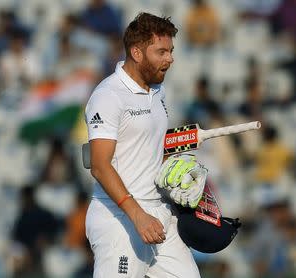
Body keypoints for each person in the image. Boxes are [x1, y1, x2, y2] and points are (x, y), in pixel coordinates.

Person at [85, 13, 206, 277]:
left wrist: (179, 170)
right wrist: (137, 215)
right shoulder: (108, 96)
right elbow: (99, 166)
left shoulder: (158, 92)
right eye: (161, 52)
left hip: (159, 214)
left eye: (171, 51)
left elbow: (150, 147)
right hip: (120, 218)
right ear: (137, 53)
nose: (170, 59)